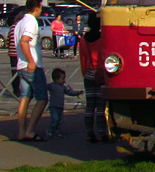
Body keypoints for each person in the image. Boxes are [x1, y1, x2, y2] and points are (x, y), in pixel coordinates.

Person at [14, 0, 48, 141]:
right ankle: (30, 130)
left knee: (25, 98)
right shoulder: (31, 22)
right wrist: (31, 61)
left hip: (20, 65)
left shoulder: (19, 23)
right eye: (40, 8)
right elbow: (24, 42)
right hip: (32, 66)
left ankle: (21, 131)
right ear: (36, 8)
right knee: (42, 98)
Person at [78, 12, 109, 142]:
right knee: (101, 107)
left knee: (90, 106)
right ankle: (102, 133)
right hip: (101, 75)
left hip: (89, 74)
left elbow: (82, 59)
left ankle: (89, 133)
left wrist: (85, 73)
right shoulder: (104, 38)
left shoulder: (83, 39)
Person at [45, 68, 82, 138]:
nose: (64, 80)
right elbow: (45, 87)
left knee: (60, 120)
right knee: (55, 119)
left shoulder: (63, 87)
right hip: (53, 107)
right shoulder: (52, 85)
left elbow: (69, 92)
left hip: (60, 107)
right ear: (56, 79)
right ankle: (50, 130)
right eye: (62, 78)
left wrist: (77, 93)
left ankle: (57, 132)